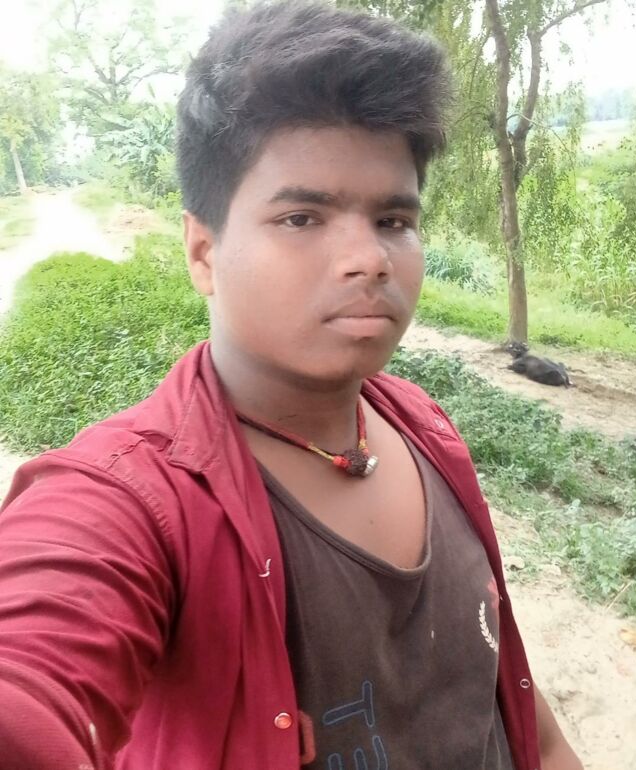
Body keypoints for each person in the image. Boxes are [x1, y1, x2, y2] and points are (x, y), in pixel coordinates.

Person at [0, 2, 582, 768]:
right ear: (203, 253)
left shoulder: (425, 427)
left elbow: (509, 699)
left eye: (393, 220)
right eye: (303, 217)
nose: (369, 259)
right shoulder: (137, 502)